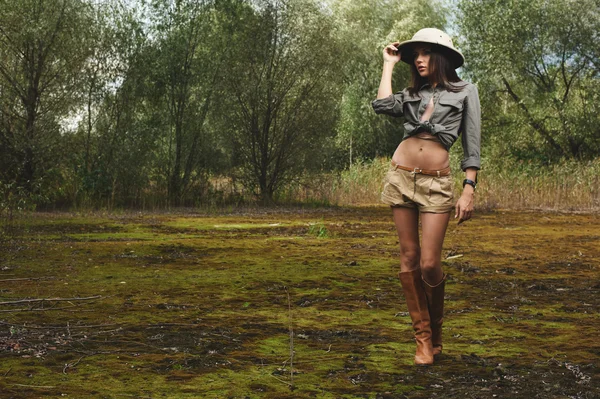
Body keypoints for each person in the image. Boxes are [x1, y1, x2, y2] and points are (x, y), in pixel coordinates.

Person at [372, 28, 481, 365]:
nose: (418, 60)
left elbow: (472, 144)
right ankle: (422, 340)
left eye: (424, 53)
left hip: (437, 183)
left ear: (442, 57)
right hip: (401, 175)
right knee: (408, 257)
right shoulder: (411, 94)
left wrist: (468, 189)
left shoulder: (466, 91)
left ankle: (436, 331)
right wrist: (389, 64)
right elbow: (381, 105)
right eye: (414, 54)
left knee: (430, 263)